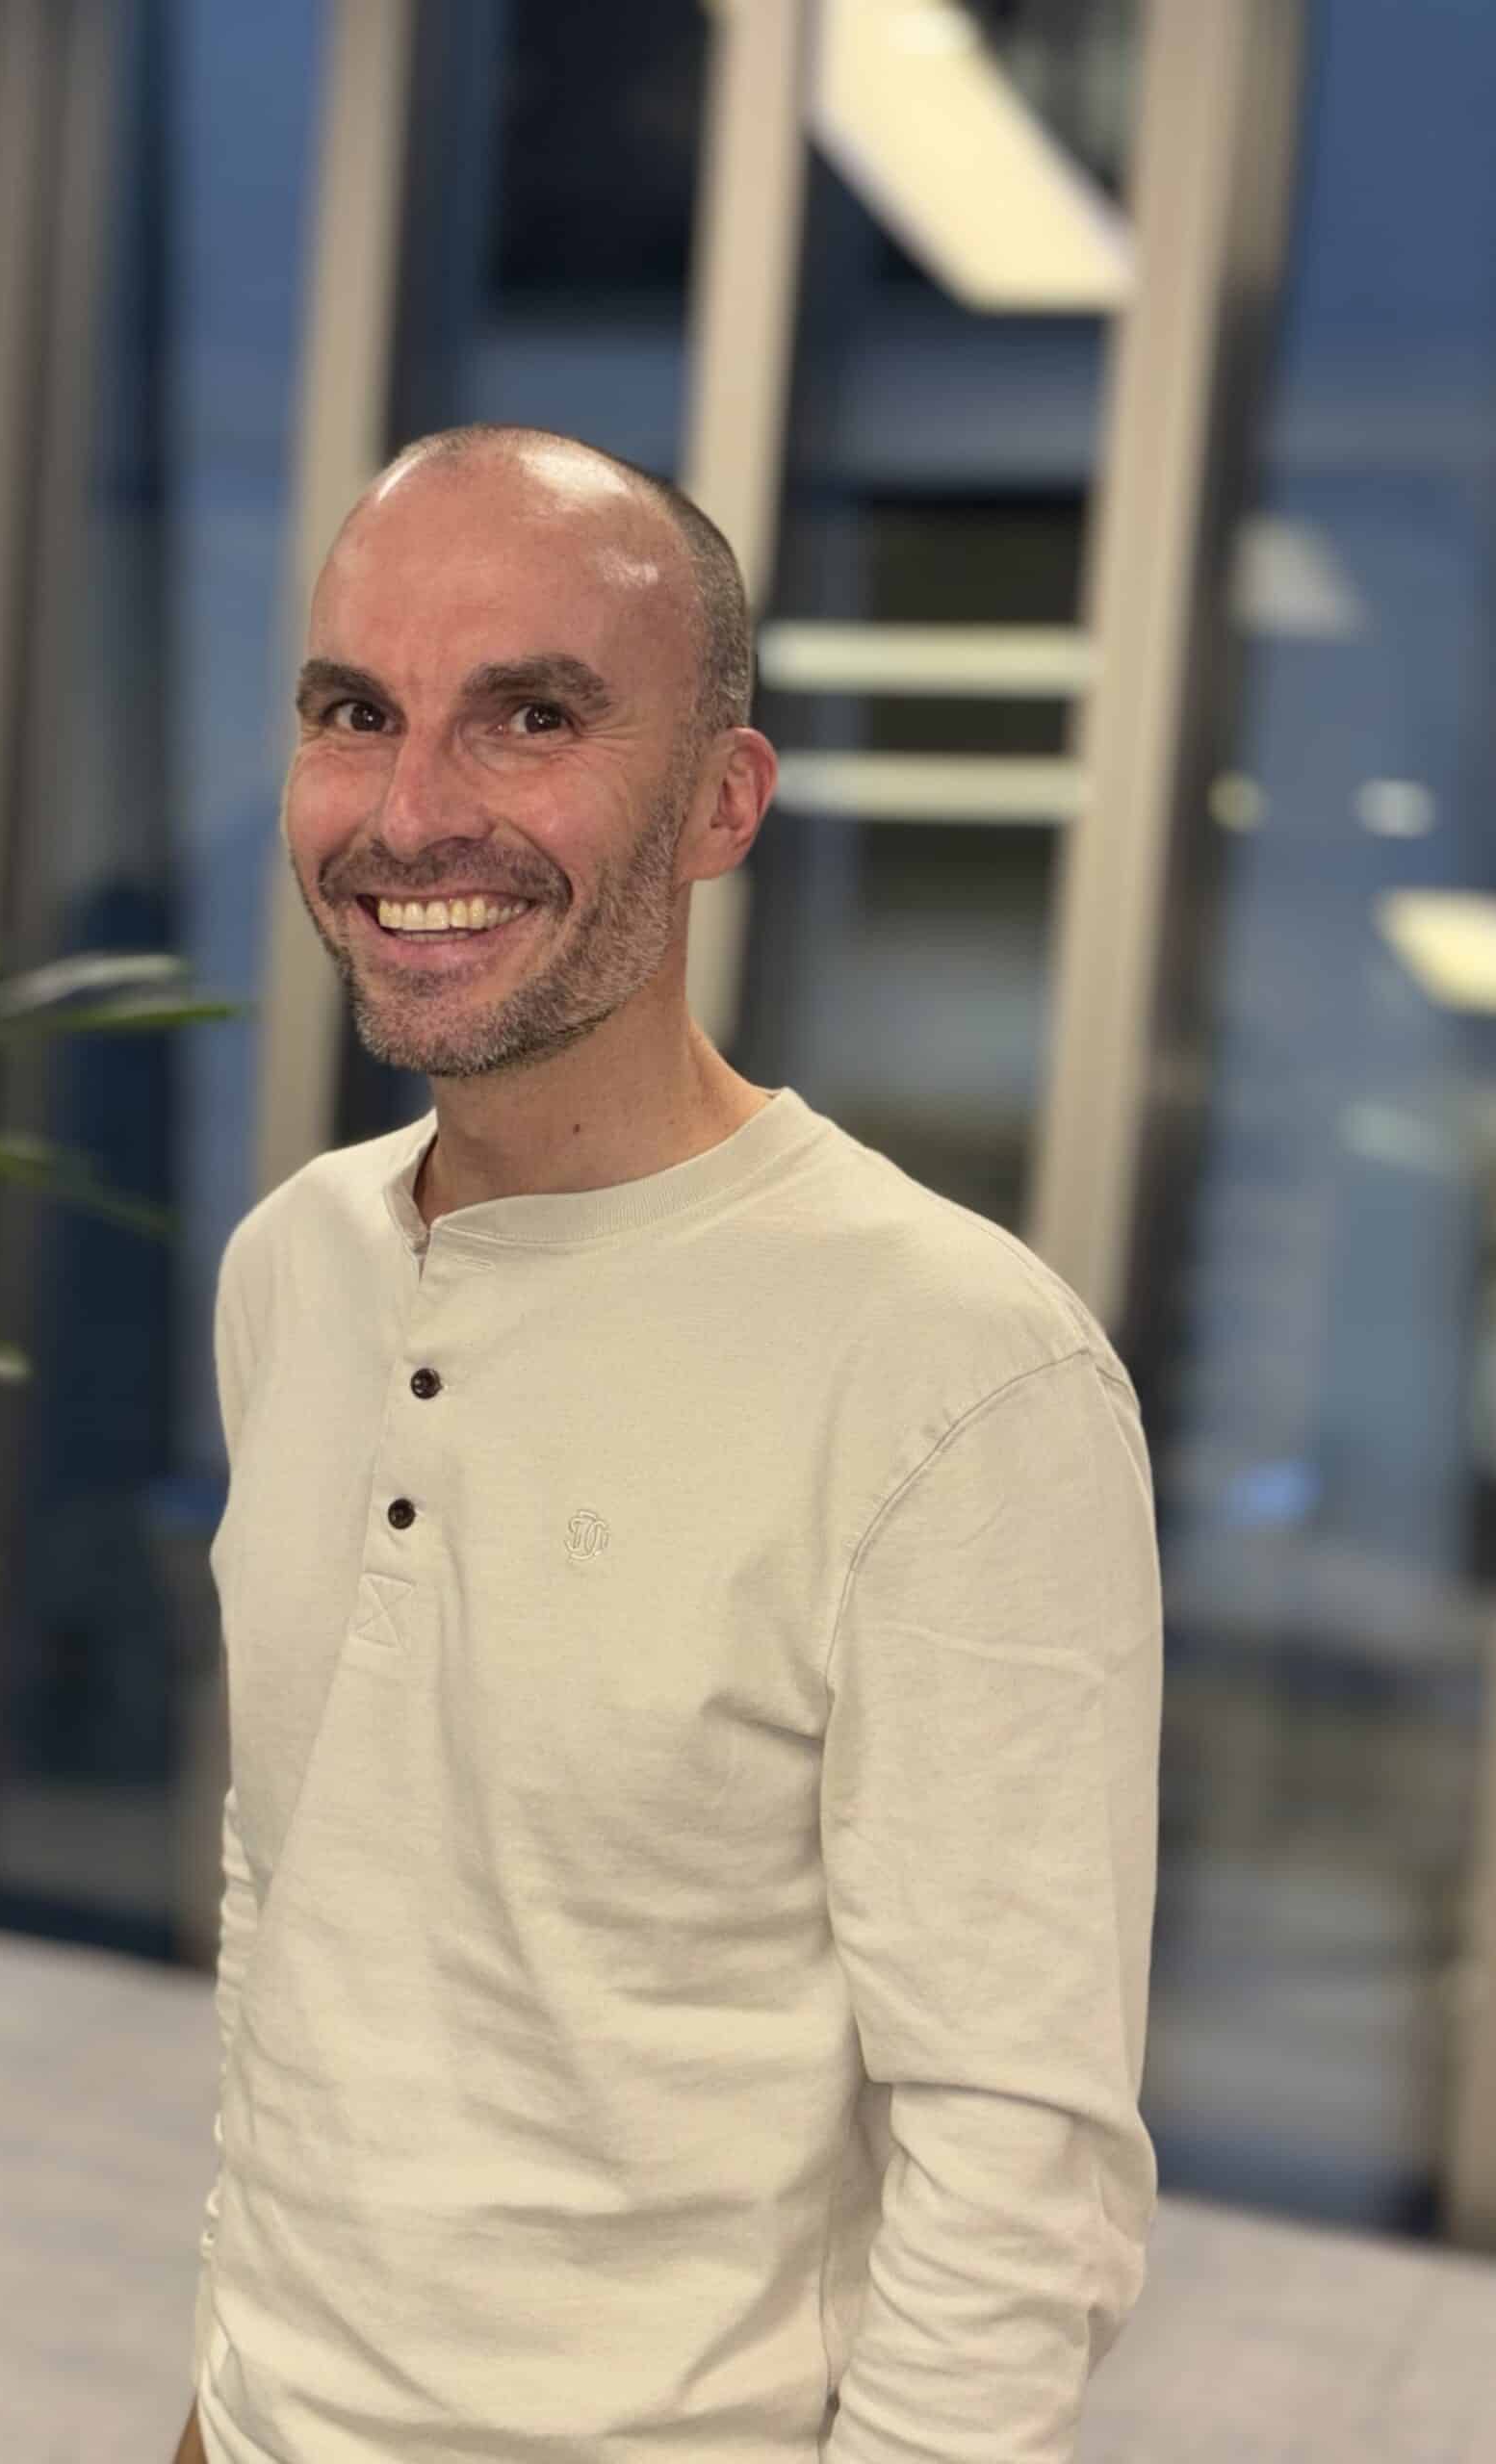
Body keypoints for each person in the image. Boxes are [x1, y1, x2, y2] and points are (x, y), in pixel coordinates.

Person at [174, 424, 1162, 2463]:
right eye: (355, 711)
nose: (409, 807)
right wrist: (224, 2377)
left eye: (531, 714)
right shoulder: (295, 1267)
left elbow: (1014, 2161)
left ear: (723, 800)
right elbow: (297, 1886)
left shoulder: (960, 1368)